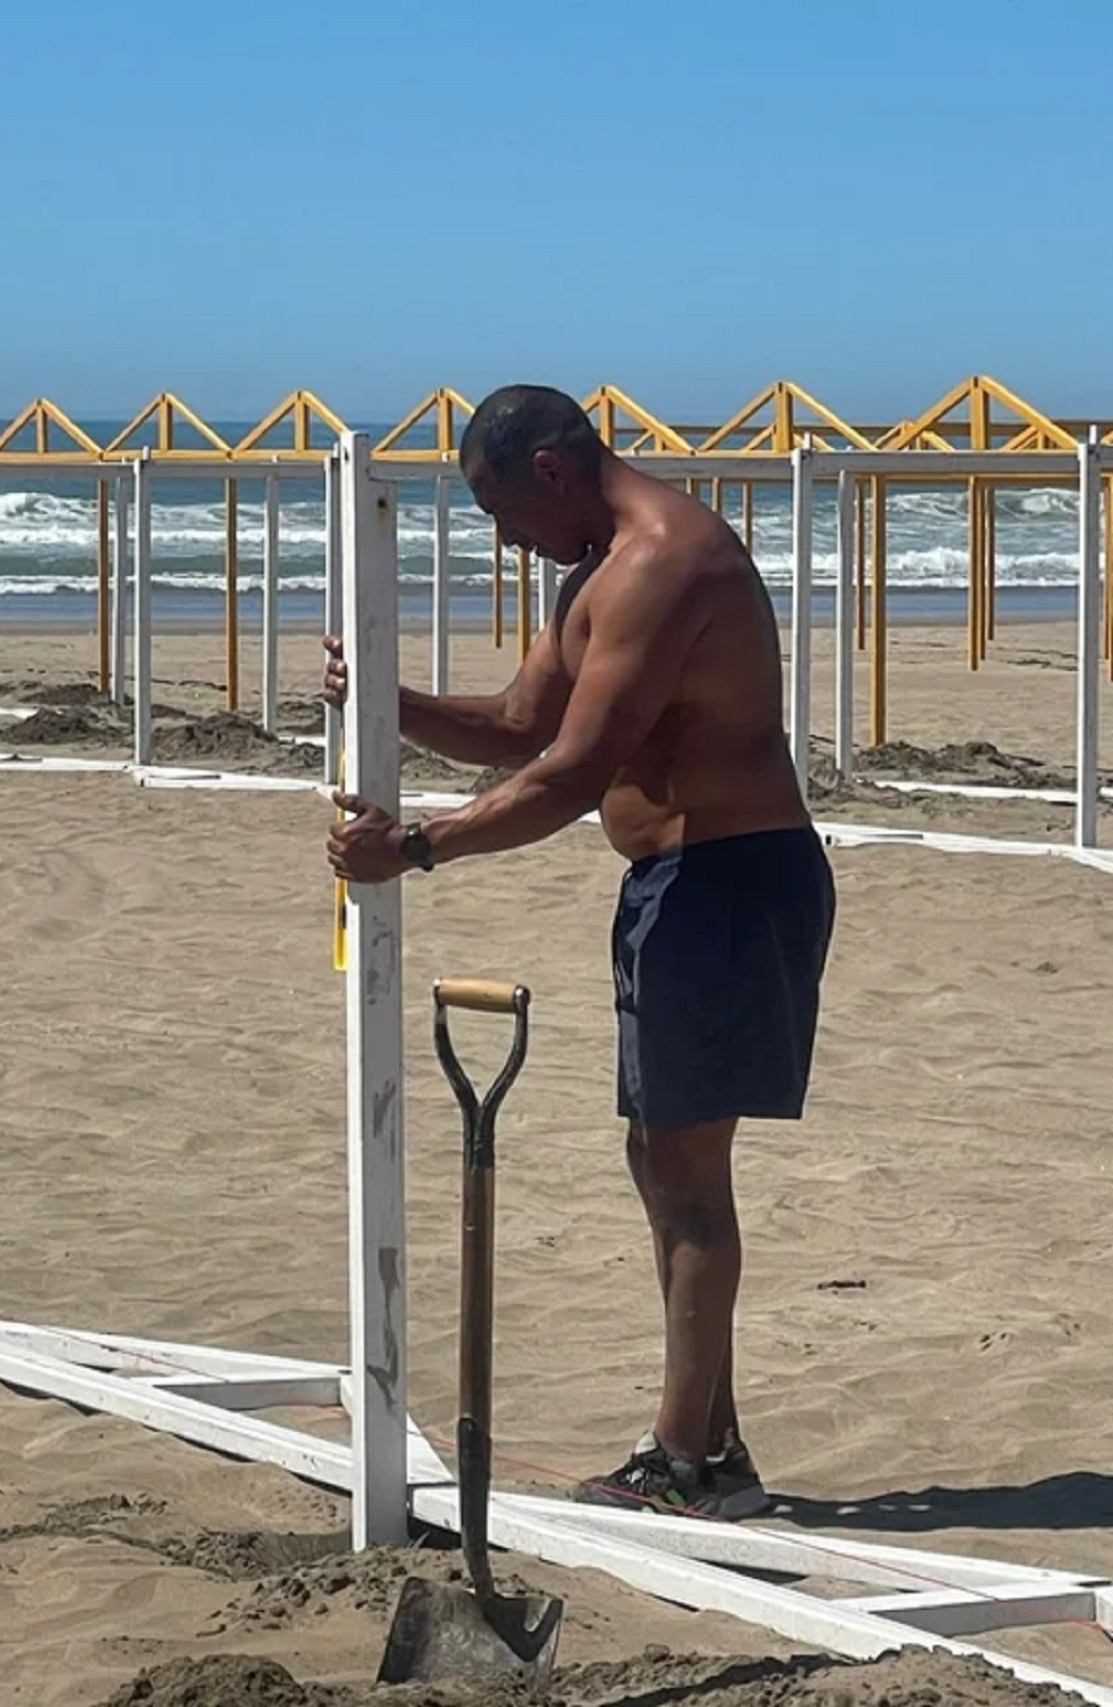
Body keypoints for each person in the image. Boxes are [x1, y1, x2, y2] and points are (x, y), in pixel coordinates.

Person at [324, 384, 835, 1519]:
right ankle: (712, 1448)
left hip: (730, 880)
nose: (503, 538)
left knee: (687, 1179)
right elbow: (516, 726)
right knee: (660, 1166)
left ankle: (685, 1461)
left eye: (501, 510)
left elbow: (568, 774)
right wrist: (383, 697)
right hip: (675, 886)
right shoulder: (589, 576)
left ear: (551, 470)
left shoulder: (665, 563)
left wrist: (415, 847)